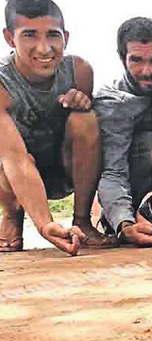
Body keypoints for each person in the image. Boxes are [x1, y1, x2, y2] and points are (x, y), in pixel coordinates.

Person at [0, 0, 116, 254]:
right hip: (16, 172)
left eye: (53, 35)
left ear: (65, 37)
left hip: (64, 167)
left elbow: (89, 137)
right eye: (29, 35)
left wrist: (82, 103)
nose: (44, 48)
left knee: (85, 119)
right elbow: (15, 158)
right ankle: (12, 216)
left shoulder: (79, 70)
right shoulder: (2, 83)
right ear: (10, 38)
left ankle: (82, 220)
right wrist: (45, 224)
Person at [94, 17, 152, 247]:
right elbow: (113, 170)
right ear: (122, 59)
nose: (148, 71)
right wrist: (124, 222)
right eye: (136, 60)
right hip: (134, 184)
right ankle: (131, 215)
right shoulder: (113, 102)